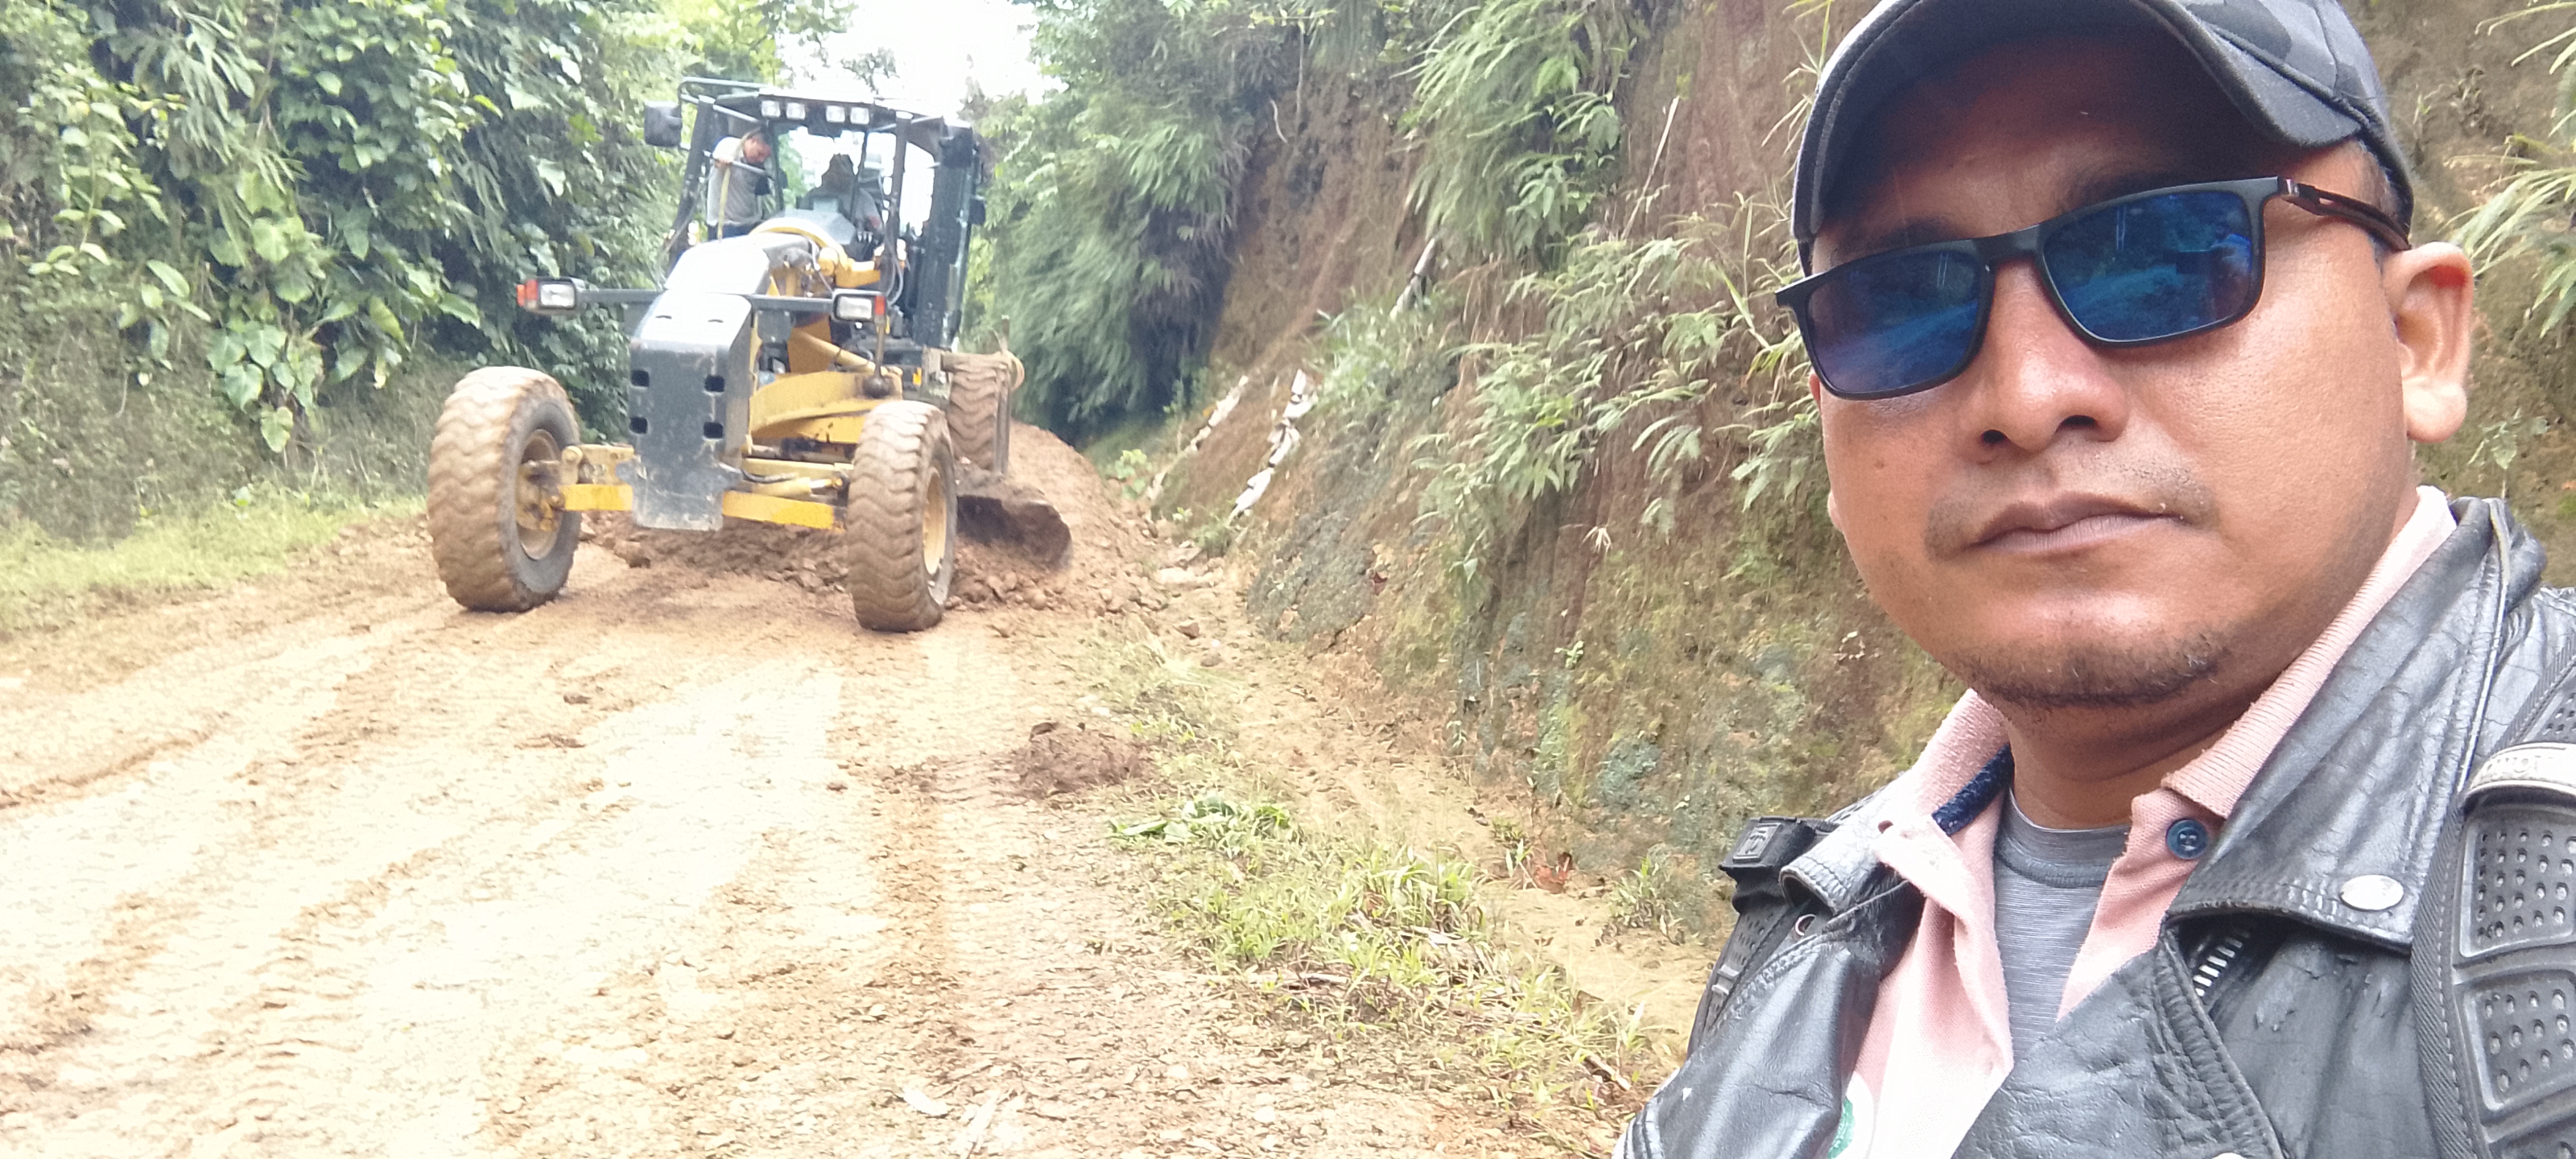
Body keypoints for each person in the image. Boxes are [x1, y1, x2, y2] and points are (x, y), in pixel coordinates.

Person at [1622, 0, 2576, 1156]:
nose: (2026, 398)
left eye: (2166, 254)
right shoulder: (1812, 921)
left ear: (2415, 340)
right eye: (1901, 306)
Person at [707, 129, 773, 238]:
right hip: (726, 225)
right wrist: (723, 161)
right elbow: (717, 162)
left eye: (765, 157)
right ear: (752, 141)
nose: (761, 159)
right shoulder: (729, 145)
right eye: (759, 154)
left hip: (751, 224)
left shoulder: (761, 163)